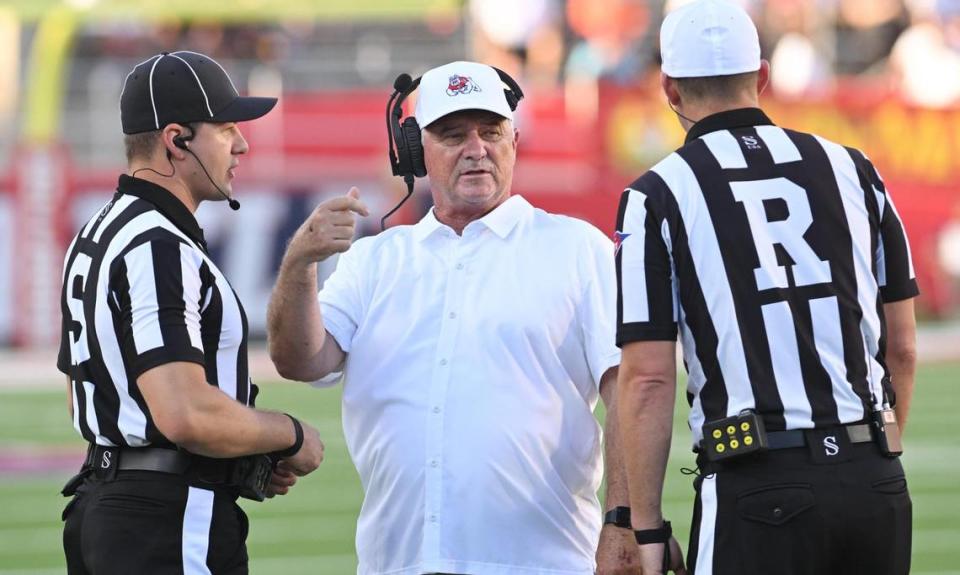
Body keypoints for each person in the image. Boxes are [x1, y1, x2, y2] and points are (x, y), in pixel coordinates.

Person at [267, 61, 631, 574]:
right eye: (453, 134)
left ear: (515, 140)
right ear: (416, 151)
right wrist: (300, 263)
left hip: (544, 563)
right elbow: (302, 361)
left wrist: (623, 520)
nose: (476, 148)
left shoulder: (577, 249)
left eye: (491, 131)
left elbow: (628, 392)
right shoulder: (376, 259)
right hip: (400, 563)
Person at [614, 1, 918, 574]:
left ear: (669, 90)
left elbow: (648, 376)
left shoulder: (656, 196)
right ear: (762, 76)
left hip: (758, 483)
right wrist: (880, 449)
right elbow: (900, 346)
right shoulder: (853, 168)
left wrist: (647, 528)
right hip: (873, 481)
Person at [57, 50, 325, 574]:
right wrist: (289, 433)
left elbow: (88, 396)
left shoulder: (100, 231)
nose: (242, 143)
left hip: (105, 507)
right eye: (226, 128)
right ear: (176, 140)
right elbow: (184, 413)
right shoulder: (157, 244)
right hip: (166, 516)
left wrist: (238, 448)